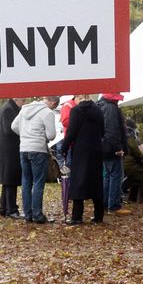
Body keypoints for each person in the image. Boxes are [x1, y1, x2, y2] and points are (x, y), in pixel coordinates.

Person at [13, 95, 58, 223]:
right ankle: (37, 214)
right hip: (38, 149)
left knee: (26, 182)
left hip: (24, 148)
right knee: (38, 182)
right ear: (52, 103)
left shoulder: (24, 109)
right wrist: (41, 137)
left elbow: (13, 126)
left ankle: (28, 214)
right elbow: (51, 134)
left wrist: (25, 135)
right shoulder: (47, 113)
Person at [63, 95, 106, 223]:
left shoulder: (76, 111)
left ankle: (77, 217)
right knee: (96, 182)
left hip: (80, 150)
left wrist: (64, 148)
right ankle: (99, 216)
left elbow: (71, 132)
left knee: (79, 182)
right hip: (96, 149)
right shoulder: (98, 110)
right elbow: (103, 131)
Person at [98, 93, 129, 215]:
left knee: (107, 176)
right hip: (111, 148)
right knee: (116, 176)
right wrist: (117, 148)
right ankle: (114, 205)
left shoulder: (101, 106)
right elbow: (112, 130)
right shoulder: (110, 108)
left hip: (104, 147)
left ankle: (106, 204)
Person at [0, 98, 22, 217]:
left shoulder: (8, 108)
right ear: (16, 98)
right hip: (9, 151)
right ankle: (11, 209)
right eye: (23, 100)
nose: (24, 103)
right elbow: (9, 129)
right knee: (11, 180)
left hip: (8, 150)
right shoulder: (8, 109)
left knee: (8, 181)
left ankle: (3, 207)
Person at [122, 118, 143, 204]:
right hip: (127, 162)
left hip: (122, 161)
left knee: (135, 176)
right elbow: (135, 150)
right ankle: (140, 198)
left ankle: (132, 197)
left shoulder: (121, 133)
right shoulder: (129, 134)